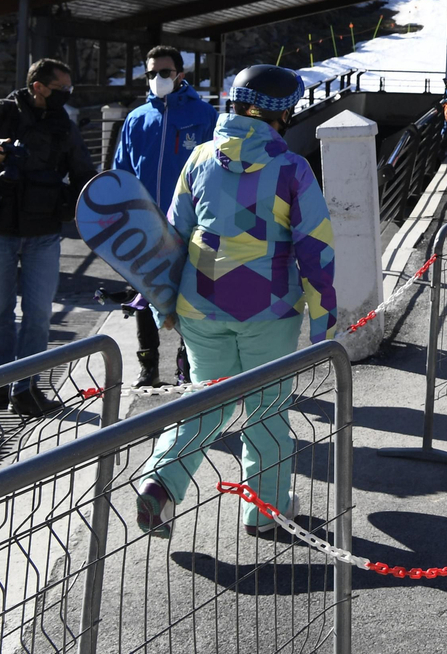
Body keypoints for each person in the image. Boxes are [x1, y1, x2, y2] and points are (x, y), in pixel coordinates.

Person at [134, 64, 337, 540]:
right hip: (270, 308)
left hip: (201, 303)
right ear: (284, 113)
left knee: (206, 401)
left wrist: (164, 305)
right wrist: (322, 320)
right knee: (267, 410)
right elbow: (316, 248)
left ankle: (160, 484)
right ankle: (264, 512)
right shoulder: (292, 167)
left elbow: (174, 234)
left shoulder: (201, 157)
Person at [0, 58, 94, 418]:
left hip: (43, 232)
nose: (68, 95)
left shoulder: (64, 123)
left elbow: (84, 173)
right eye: (61, 88)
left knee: (39, 314)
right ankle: (2, 384)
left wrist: (98, 211)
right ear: (38, 87)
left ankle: (24, 389)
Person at [111, 46, 219, 387]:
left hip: (190, 226)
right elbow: (122, 171)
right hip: (144, 226)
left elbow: (216, 170)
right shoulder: (136, 118)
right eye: (151, 73)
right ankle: (148, 367)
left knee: (191, 298)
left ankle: (187, 366)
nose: (157, 78)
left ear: (180, 75)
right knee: (144, 298)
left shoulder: (203, 115)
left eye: (164, 72)